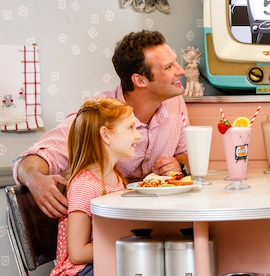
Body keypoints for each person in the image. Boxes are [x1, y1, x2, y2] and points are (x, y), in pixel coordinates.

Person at [12, 30, 189, 218]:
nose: (181, 70)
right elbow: (31, 160)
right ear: (139, 80)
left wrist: (179, 165)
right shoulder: (98, 114)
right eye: (169, 67)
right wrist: (35, 180)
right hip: (103, 227)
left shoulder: (175, 102)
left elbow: (185, 154)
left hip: (156, 219)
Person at [51, 97, 140, 276]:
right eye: (130, 128)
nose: (138, 135)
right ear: (106, 135)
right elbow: (77, 253)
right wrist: (125, 245)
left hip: (104, 261)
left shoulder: (115, 178)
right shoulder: (85, 185)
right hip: (81, 271)